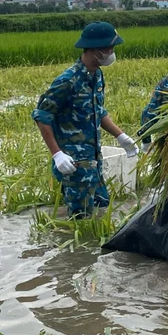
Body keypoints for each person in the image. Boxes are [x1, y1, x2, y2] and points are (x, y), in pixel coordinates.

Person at [32, 22, 139, 218]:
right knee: (79, 218)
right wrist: (57, 154)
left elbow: (98, 111)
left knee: (100, 211)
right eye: (109, 48)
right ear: (94, 49)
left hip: (93, 161)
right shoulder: (68, 80)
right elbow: (42, 116)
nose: (112, 53)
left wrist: (121, 136)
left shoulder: (96, 75)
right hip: (74, 163)